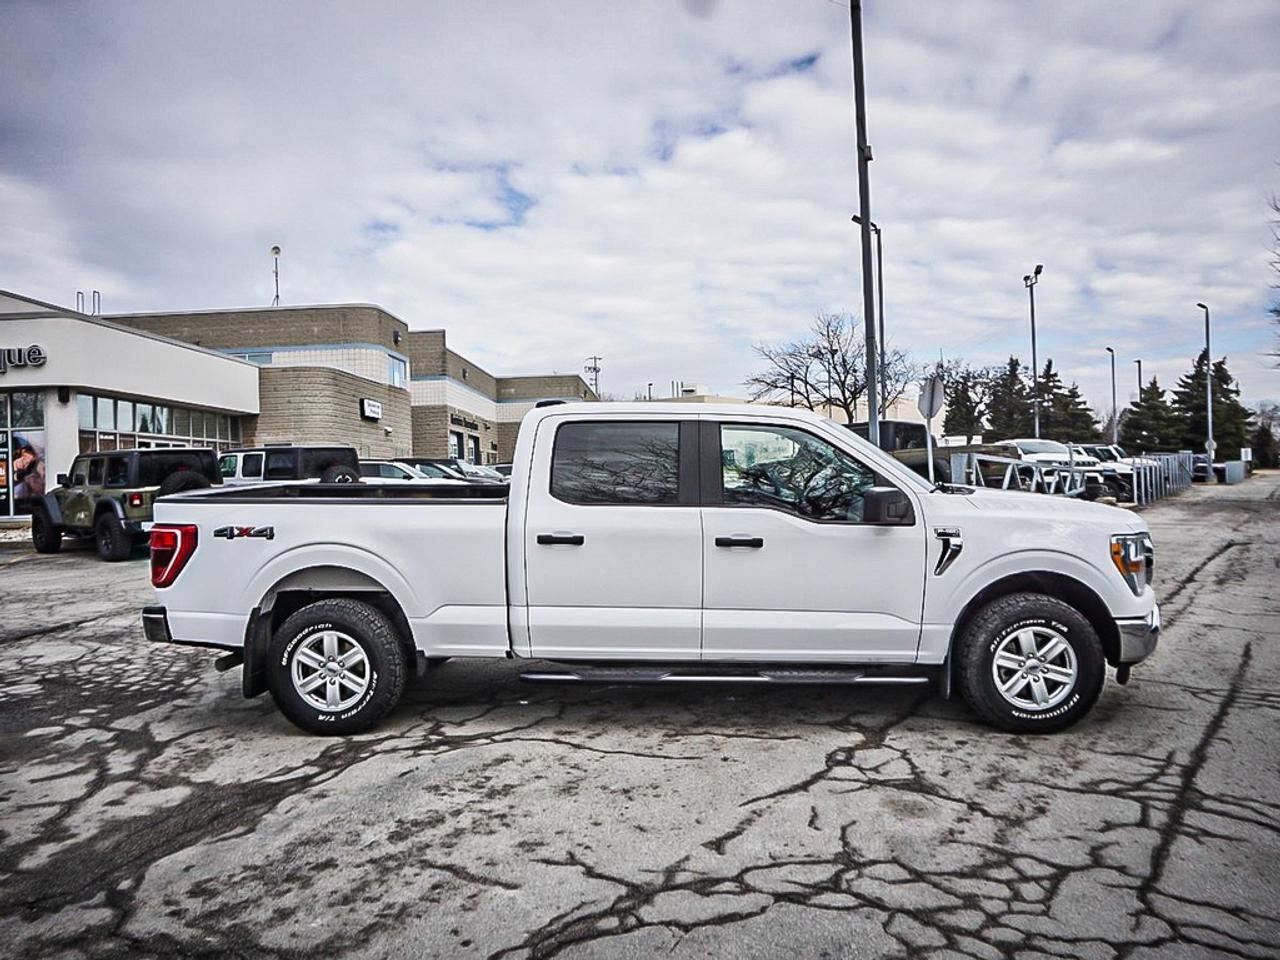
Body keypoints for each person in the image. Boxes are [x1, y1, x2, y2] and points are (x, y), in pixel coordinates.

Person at [12, 435, 45, 499]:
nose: (24, 463)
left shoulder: (18, 477)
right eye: (24, 458)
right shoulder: (13, 446)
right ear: (22, 452)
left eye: (27, 464)